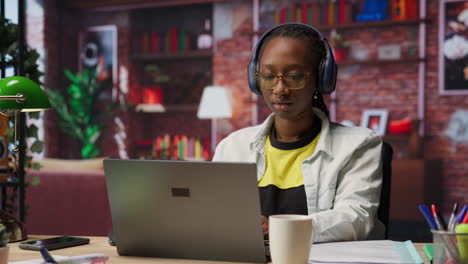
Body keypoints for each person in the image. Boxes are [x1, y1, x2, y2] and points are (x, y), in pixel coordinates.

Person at [212, 23, 385, 243]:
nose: (280, 89)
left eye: (295, 76)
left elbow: (356, 219)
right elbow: (215, 215)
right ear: (256, 79)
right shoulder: (233, 146)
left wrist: (281, 228)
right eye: (268, 76)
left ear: (321, 78)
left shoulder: (358, 145)